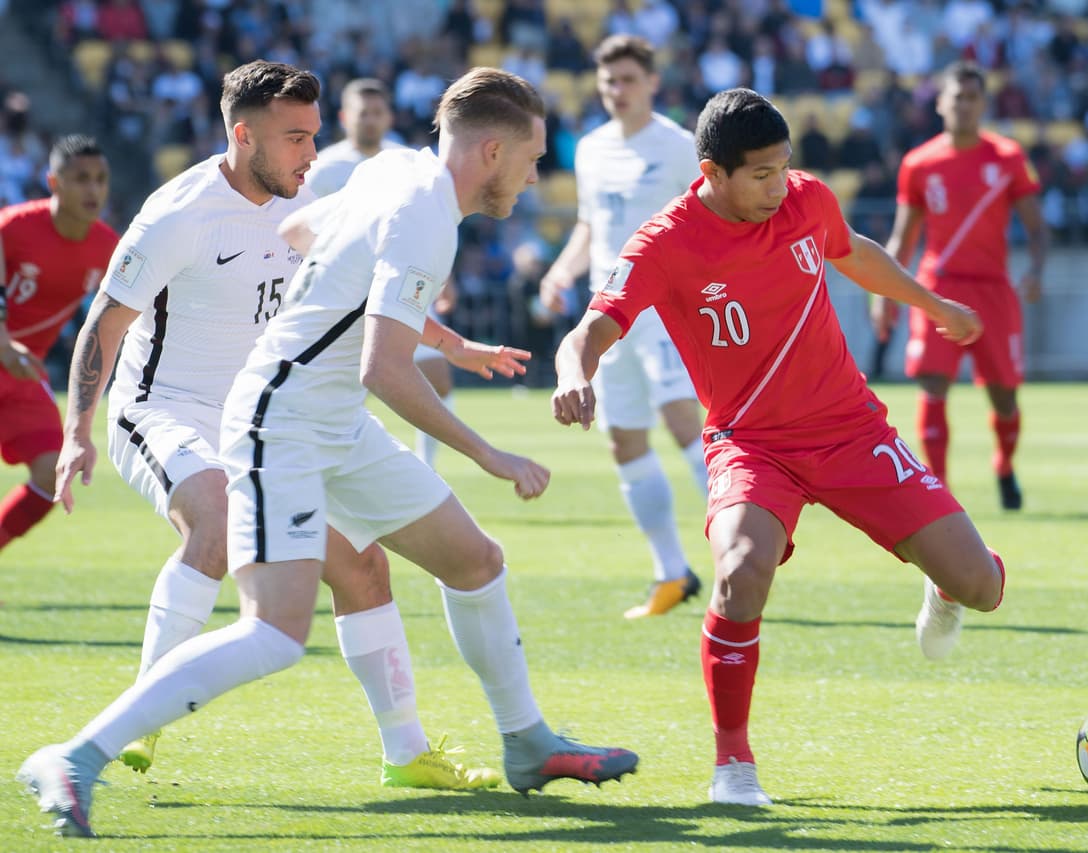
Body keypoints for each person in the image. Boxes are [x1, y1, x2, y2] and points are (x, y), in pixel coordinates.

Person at [19, 67, 637, 839]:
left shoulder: (396, 170)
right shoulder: (426, 219)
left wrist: (441, 337)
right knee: (275, 633)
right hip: (281, 421)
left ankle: (526, 741)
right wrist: (490, 453)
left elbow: (298, 236)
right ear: (488, 152)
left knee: (476, 560)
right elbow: (385, 367)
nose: (537, 174)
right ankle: (75, 755)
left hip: (330, 414)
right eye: (533, 157)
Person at [552, 88, 1006, 806]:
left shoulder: (807, 200)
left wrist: (934, 305)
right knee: (737, 567)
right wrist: (573, 374)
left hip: (852, 429)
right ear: (711, 172)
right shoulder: (665, 243)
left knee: (984, 587)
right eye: (760, 174)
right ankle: (733, 764)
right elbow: (593, 328)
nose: (777, 185)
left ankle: (944, 581)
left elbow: (853, 251)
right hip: (752, 445)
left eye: (783, 167)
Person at [539, 34, 708, 619]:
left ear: (652, 84)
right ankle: (671, 572)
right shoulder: (590, 148)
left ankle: (744, 546)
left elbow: (705, 226)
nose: (617, 90)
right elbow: (590, 225)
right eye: (609, 81)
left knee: (684, 420)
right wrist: (561, 272)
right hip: (608, 314)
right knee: (624, 439)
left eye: (629, 80)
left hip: (665, 311)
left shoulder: (681, 147)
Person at [872, 61, 1048, 510]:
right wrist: (884, 292)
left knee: (1004, 396)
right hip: (939, 287)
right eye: (957, 97)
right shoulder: (920, 163)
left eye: (973, 98)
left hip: (993, 290)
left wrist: (1036, 269)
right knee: (933, 385)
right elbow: (903, 236)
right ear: (940, 103)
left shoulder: (1007, 158)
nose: (964, 106)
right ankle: (941, 492)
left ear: (983, 104)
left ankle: (1004, 466)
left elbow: (1037, 227)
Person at [309, 76, 458, 469]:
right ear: (344, 117)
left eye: (378, 113)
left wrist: (445, 278)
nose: (371, 121)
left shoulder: (405, 162)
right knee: (347, 383)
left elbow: (431, 224)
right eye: (363, 114)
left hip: (401, 285)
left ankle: (427, 467)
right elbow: (301, 228)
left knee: (435, 377)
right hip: (342, 294)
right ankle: (333, 462)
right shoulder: (324, 169)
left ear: (389, 116)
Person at [0, 135, 117, 555]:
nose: (93, 189)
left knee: (52, 473)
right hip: (8, 357)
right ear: (54, 181)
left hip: (21, 375)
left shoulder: (108, 246)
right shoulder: (14, 227)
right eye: (81, 178)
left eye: (100, 179)